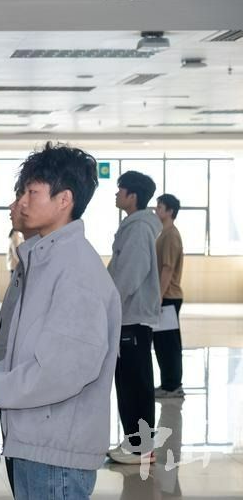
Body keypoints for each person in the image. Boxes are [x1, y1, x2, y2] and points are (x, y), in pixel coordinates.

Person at [0, 143, 121, 500]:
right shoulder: (45, 260)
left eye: (32, 192)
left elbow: (64, 369)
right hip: (34, 439)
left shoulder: (75, 269)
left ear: (64, 200)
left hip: (56, 451)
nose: (21, 202)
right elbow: (27, 349)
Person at [0, 192, 39, 495]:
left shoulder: (54, 267)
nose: (15, 206)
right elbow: (10, 334)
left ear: (63, 200)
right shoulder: (29, 259)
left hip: (39, 426)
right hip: (10, 391)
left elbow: (53, 362)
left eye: (29, 195)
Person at [107, 171, 162, 465]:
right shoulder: (133, 226)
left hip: (133, 317)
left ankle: (141, 447)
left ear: (133, 195)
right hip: (127, 316)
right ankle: (134, 442)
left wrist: (109, 304)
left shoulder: (139, 229)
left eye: (121, 190)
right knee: (127, 381)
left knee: (135, 383)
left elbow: (129, 274)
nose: (116, 195)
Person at [154, 193, 185, 399]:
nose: (156, 210)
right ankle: (168, 383)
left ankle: (172, 386)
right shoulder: (163, 233)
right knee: (162, 343)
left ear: (170, 211)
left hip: (168, 296)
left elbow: (167, 268)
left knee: (168, 344)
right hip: (164, 296)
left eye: (160, 207)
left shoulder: (171, 235)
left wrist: (158, 297)